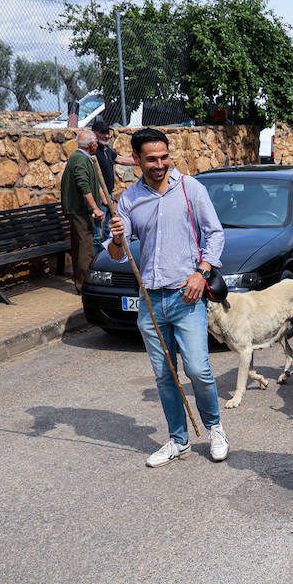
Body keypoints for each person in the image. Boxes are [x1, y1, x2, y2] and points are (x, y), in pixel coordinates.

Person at [106, 128, 228, 468]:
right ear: (136, 159)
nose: (160, 164)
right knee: (165, 375)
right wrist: (117, 238)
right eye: (151, 159)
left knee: (198, 370)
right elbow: (117, 254)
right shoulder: (129, 200)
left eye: (164, 157)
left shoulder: (190, 188)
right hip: (150, 300)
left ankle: (215, 429)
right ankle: (179, 440)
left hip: (186, 295)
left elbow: (215, 234)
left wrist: (201, 272)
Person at [60, 129, 105, 294]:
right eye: (96, 143)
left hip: (79, 210)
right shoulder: (79, 159)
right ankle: (85, 286)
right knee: (85, 249)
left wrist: (104, 201)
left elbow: (93, 183)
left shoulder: (83, 158)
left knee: (81, 247)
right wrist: (95, 208)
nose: (97, 145)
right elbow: (83, 184)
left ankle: (81, 283)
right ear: (92, 145)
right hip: (79, 210)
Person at [91, 120, 135, 253]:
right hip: (99, 197)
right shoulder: (93, 152)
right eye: (102, 133)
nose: (106, 136)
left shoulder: (106, 150)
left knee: (108, 230)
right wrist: (103, 197)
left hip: (108, 195)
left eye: (107, 133)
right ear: (94, 133)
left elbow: (120, 159)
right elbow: (93, 179)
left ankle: (109, 258)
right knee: (97, 235)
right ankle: (97, 262)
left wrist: (140, 161)